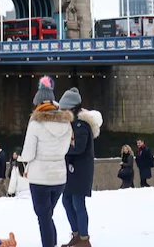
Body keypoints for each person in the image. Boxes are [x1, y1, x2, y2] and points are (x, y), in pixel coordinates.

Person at [18, 76, 73, 247]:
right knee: (47, 215)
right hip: (59, 178)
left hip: (39, 178)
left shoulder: (35, 124)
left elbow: (28, 153)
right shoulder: (67, 123)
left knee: (43, 217)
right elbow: (68, 148)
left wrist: (20, 160)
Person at [61, 87, 103, 247]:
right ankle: (76, 234)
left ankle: (84, 239)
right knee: (67, 201)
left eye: (64, 108)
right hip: (72, 170)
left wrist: (60, 151)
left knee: (78, 203)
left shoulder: (80, 125)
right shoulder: (73, 123)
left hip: (80, 171)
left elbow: (78, 148)